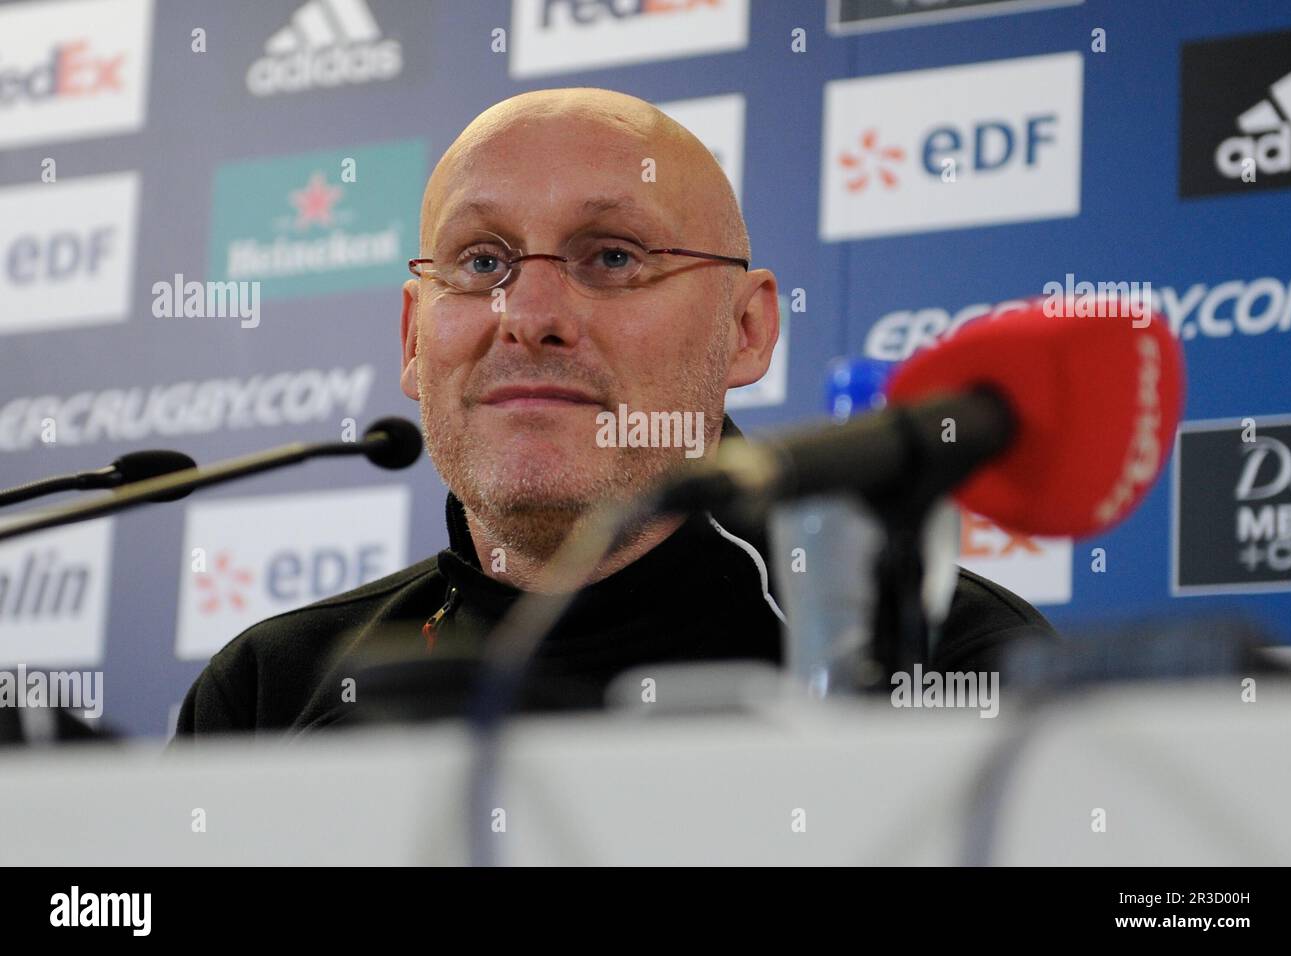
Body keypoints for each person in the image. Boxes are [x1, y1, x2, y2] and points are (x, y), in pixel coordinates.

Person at [175, 88, 1054, 736]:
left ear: (746, 330)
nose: (529, 316)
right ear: (414, 338)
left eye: (612, 256)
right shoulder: (270, 690)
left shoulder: (939, 663)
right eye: (481, 262)